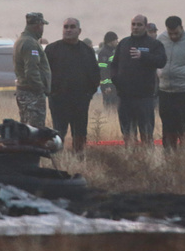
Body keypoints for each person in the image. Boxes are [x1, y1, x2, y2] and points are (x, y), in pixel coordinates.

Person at [45, 18, 101, 153]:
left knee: (80, 132)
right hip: (58, 100)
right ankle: (58, 158)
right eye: (66, 27)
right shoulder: (52, 49)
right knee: (59, 132)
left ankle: (79, 158)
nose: (68, 30)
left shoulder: (87, 51)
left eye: (72, 27)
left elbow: (95, 74)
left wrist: (88, 94)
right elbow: (44, 73)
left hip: (81, 100)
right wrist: (52, 93)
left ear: (79, 31)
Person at [110, 15, 167, 147]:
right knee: (128, 133)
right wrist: (116, 80)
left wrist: (144, 56)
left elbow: (162, 61)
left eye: (139, 25)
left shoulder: (154, 44)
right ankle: (131, 158)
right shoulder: (123, 44)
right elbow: (114, 65)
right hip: (125, 96)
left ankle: (147, 157)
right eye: (133, 24)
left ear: (146, 26)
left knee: (146, 132)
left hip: (144, 97)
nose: (135, 27)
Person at [156, 15, 185, 150]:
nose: (173, 36)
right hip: (165, 93)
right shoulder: (161, 39)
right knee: (168, 131)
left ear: (182, 28)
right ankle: (169, 158)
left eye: (176, 33)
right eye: (170, 33)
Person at [14, 12, 52, 128]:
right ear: (38, 25)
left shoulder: (23, 40)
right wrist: (39, 89)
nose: (42, 29)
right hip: (32, 94)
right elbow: (31, 71)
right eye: (42, 26)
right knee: (35, 130)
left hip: (25, 92)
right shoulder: (30, 43)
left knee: (26, 128)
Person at [96, 31, 120, 107]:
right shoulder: (103, 53)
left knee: (117, 105)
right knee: (109, 106)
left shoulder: (113, 51)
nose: (117, 41)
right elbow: (103, 71)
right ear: (111, 41)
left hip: (114, 84)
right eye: (116, 39)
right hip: (108, 86)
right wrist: (106, 86)